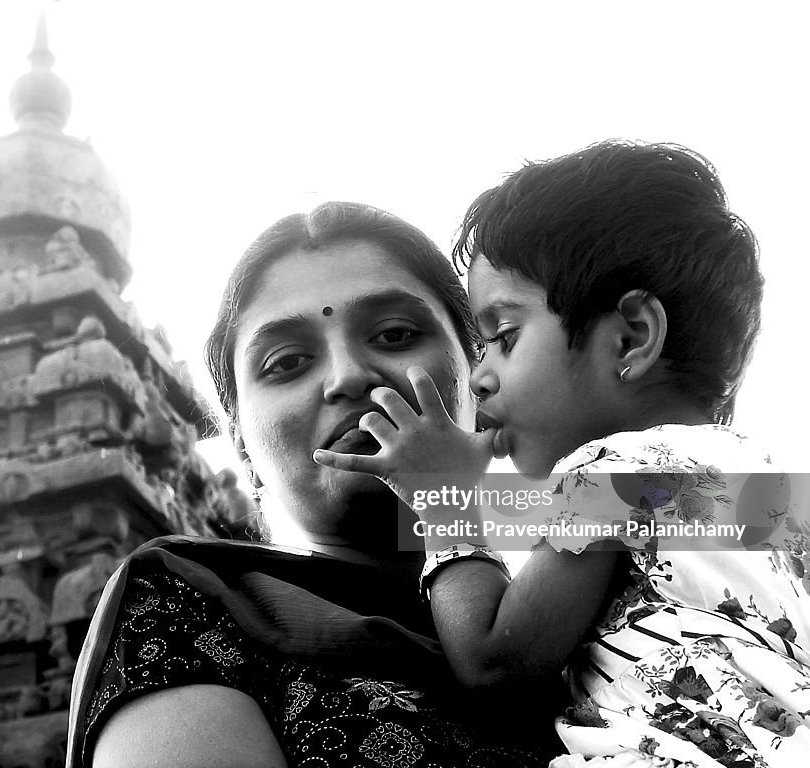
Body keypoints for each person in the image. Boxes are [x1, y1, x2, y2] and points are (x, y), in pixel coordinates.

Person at [314, 141, 810, 766]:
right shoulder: (770, 491)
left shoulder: (612, 473)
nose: (478, 378)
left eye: (504, 336)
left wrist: (443, 495)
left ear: (631, 337)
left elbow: (494, 662)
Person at [65, 202, 563, 768]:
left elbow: (674, 491)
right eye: (287, 362)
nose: (349, 376)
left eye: (396, 334)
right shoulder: (188, 603)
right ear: (245, 453)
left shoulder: (581, 546)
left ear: (481, 380)